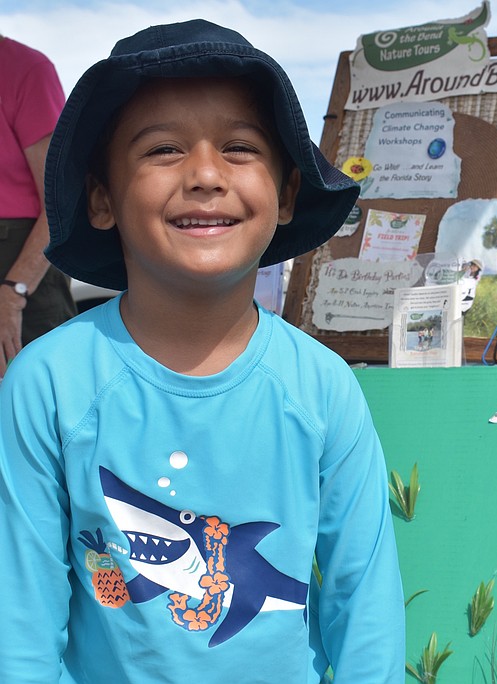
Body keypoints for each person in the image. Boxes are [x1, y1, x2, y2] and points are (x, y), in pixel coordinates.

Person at [0, 20, 404, 683]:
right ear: (101, 197)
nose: (206, 175)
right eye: (163, 149)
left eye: (240, 148)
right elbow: (20, 623)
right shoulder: (45, 385)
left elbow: (365, 608)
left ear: (287, 194)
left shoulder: (323, 387)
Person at [0, 34, 76, 377]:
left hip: (22, 266)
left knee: (38, 392)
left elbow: (60, 199)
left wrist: (14, 292)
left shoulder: (26, 69)